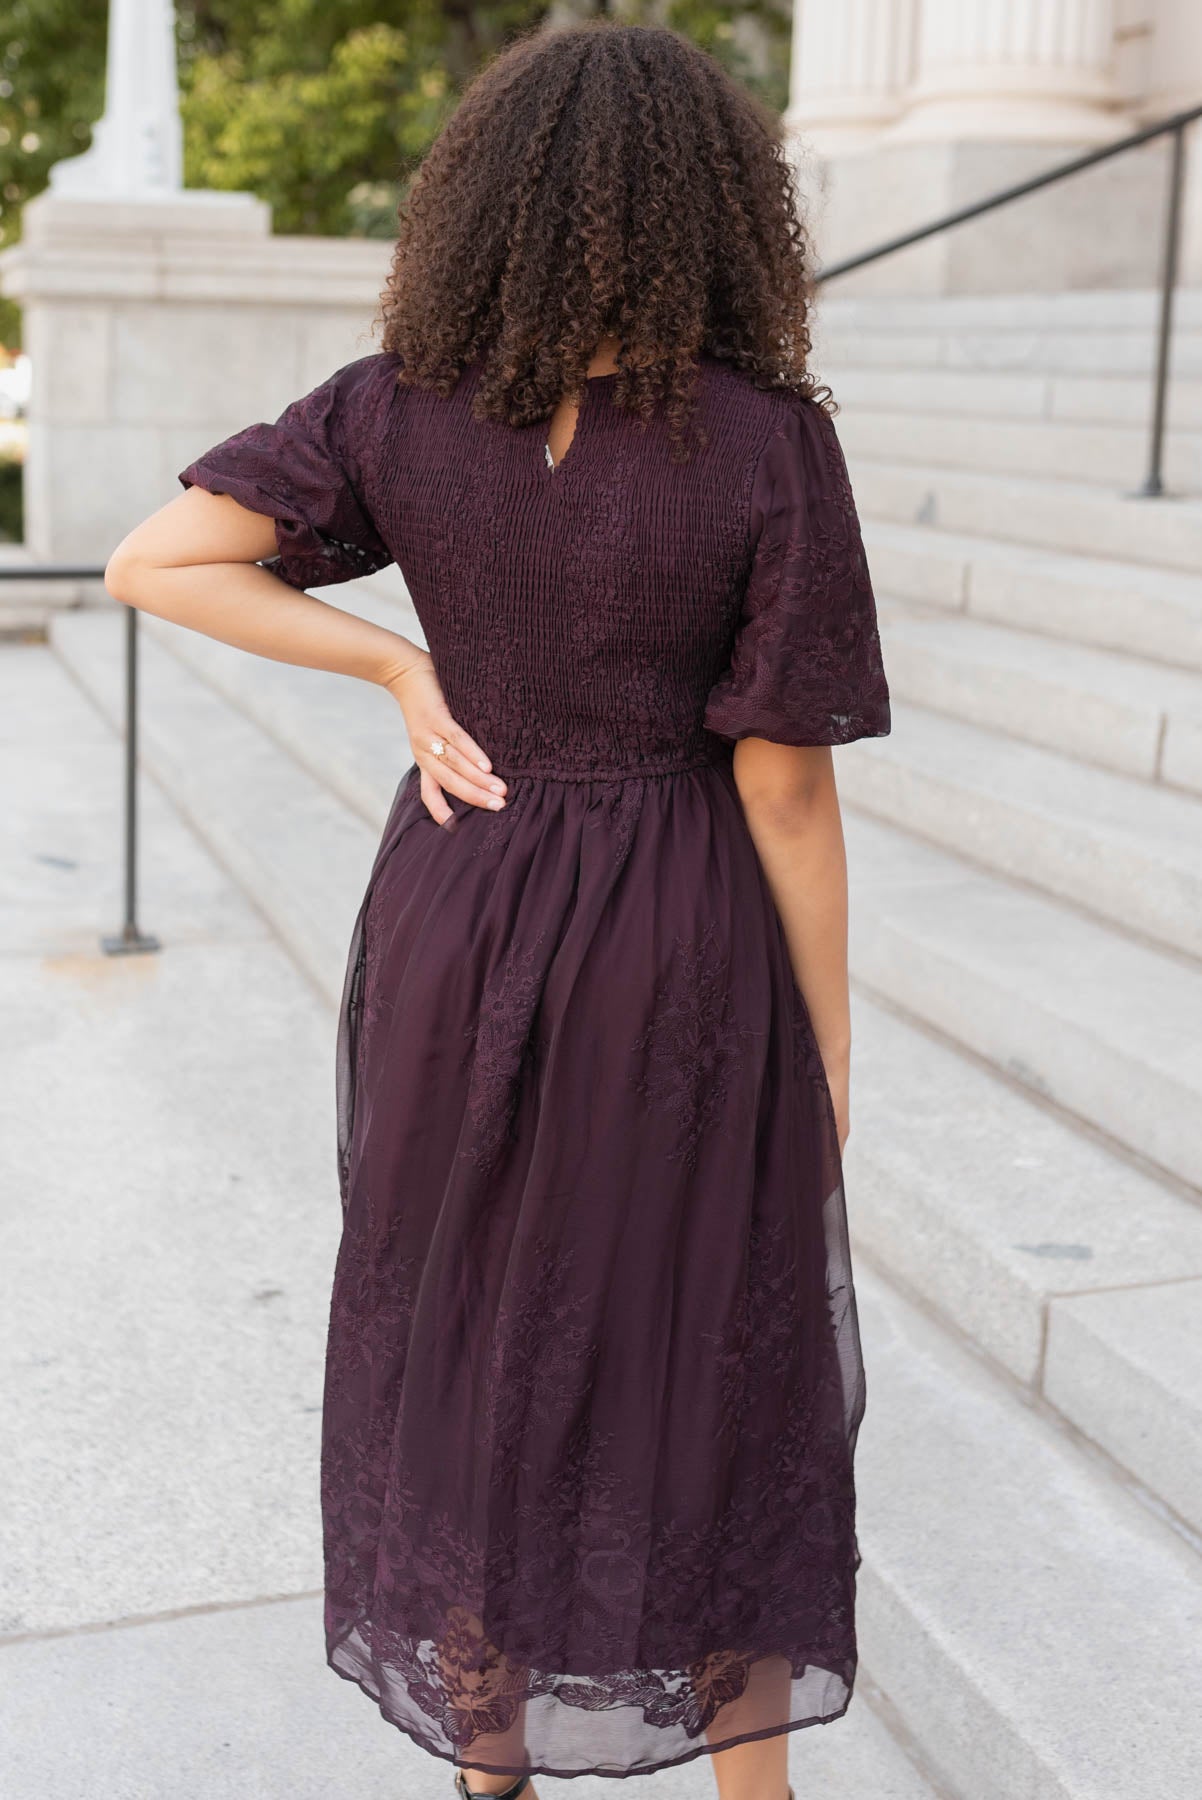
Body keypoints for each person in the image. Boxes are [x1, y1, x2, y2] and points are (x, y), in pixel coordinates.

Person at [105, 19, 890, 1800]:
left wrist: (392, 663)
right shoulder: (762, 444)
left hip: (462, 898)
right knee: (712, 1344)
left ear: (488, 202)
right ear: (716, 211)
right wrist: (829, 1036)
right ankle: (747, 1788)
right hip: (678, 927)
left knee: (465, 1320)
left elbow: (160, 558)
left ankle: (489, 1768)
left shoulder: (393, 407)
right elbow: (779, 778)